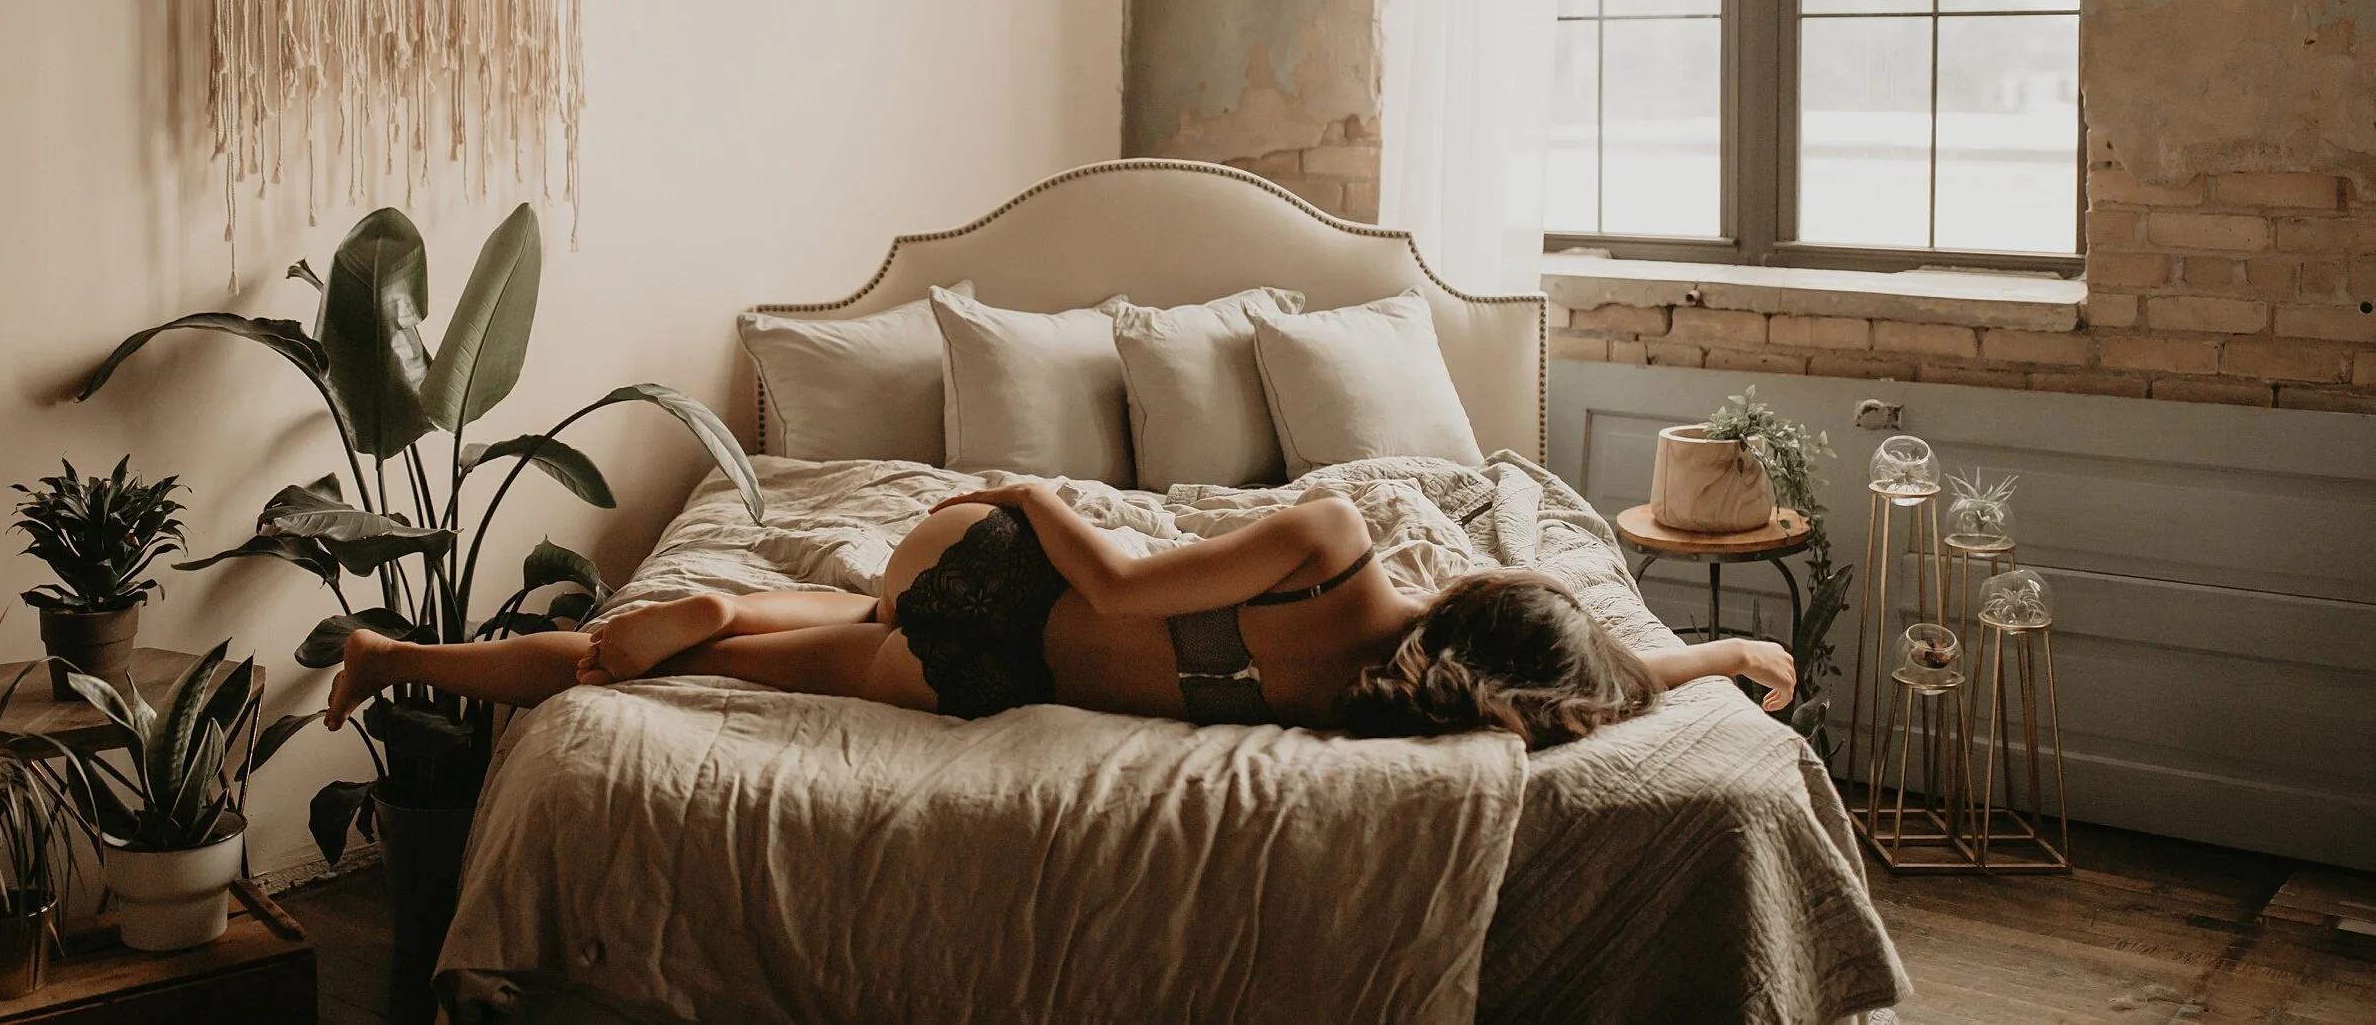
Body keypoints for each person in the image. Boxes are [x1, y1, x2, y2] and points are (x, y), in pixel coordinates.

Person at [326, 483, 1795, 745]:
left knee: (635, 636)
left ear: (1490, 587)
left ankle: (392, 648)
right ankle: (393, 664)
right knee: (664, 663)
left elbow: (1114, 579)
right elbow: (1598, 680)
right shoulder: (1369, 710)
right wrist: (1714, 654)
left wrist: (1035, 492)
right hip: (978, 677)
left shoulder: (1333, 541)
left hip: (993, 576)